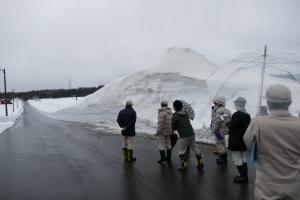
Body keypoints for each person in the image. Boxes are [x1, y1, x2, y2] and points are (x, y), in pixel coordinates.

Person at [244, 84, 300, 200]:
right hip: (294, 183)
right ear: (289, 103)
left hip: (267, 185)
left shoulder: (258, 122)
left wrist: (257, 118)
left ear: (268, 103)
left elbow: (248, 143)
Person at [172, 100, 204, 171]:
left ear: (175, 108)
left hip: (184, 136)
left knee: (182, 151)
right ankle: (200, 162)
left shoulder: (175, 116)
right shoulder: (186, 113)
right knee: (195, 148)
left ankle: (183, 165)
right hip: (191, 133)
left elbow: (173, 127)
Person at [227, 97, 251, 183]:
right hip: (244, 139)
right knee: (243, 157)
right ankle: (244, 176)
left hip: (236, 140)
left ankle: (243, 177)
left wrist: (228, 123)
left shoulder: (237, 114)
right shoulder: (247, 115)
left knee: (236, 158)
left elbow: (232, 126)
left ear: (237, 105)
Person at [211, 95, 231, 164]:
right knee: (223, 143)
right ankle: (224, 157)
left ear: (219, 103)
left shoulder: (219, 111)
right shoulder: (227, 110)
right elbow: (227, 120)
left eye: (215, 103)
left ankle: (223, 158)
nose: (214, 104)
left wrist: (214, 130)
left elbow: (218, 122)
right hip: (224, 130)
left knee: (219, 143)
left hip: (219, 131)